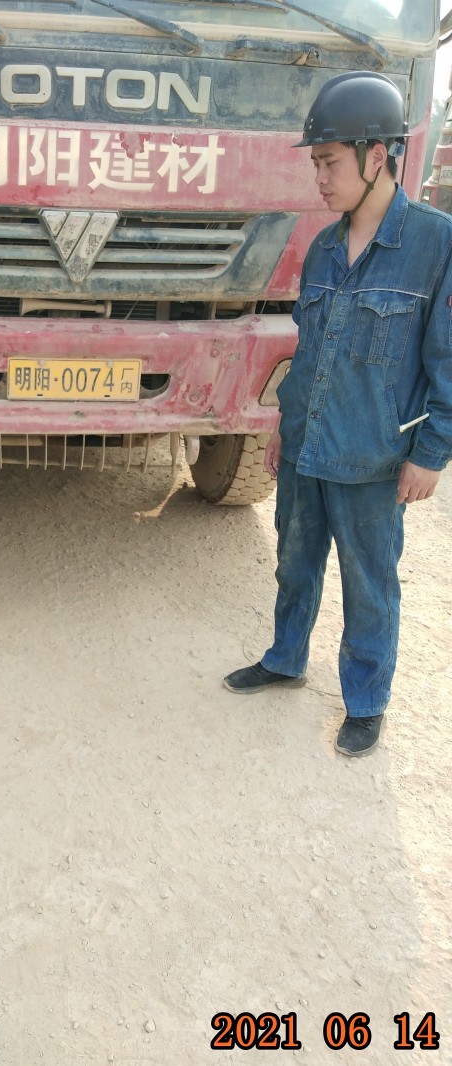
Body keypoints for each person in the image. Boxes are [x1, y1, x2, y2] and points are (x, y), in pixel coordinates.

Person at [223, 72, 452, 757]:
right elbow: (310, 348)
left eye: (329, 163)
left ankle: (366, 700)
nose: (318, 178)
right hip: (307, 444)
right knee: (294, 562)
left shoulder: (436, 245)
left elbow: (447, 358)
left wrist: (431, 454)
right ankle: (285, 658)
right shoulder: (324, 246)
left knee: (368, 582)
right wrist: (282, 425)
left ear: (376, 155)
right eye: (316, 164)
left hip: (373, 457)